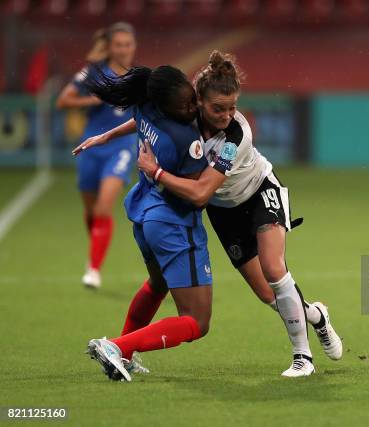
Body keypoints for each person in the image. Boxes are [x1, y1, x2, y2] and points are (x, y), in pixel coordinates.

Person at [78, 51, 343, 377]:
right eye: (218, 108)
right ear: (198, 101)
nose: (227, 115)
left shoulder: (235, 135)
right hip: (224, 210)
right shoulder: (186, 114)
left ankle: (303, 358)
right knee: (265, 294)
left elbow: (202, 191)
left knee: (274, 270)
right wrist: (109, 135)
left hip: (259, 192)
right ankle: (316, 316)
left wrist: (156, 171)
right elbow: (147, 120)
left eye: (232, 107)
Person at [74, 64, 224, 381]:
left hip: (145, 214)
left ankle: (123, 354)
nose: (192, 108)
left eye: (193, 100)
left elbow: (138, 121)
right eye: (185, 105)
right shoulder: (186, 139)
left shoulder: (146, 107)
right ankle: (114, 346)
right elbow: (199, 194)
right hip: (174, 224)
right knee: (197, 320)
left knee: (158, 284)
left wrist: (108, 135)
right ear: (166, 105)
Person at [56, 22, 138, 289]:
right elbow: (63, 100)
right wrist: (92, 101)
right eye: (119, 45)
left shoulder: (138, 78)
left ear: (133, 46)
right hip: (90, 146)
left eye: (128, 44)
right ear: (110, 47)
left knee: (104, 207)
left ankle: (93, 269)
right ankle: (96, 250)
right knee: (91, 212)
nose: (124, 50)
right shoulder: (92, 73)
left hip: (122, 147)